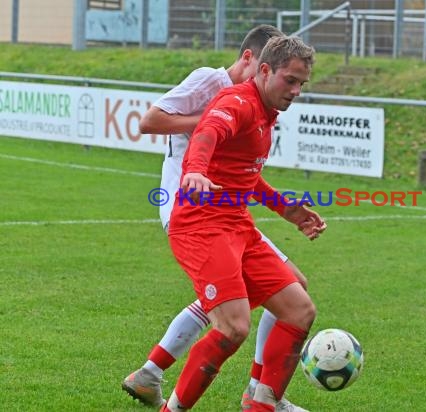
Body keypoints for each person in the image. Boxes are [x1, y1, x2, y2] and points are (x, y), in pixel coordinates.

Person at [122, 25, 318, 412]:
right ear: (262, 69)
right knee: (233, 325)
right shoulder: (236, 100)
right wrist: (195, 169)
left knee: (299, 307)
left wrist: (286, 209)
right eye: (290, 80)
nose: (296, 90)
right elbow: (207, 132)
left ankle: (261, 402)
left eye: (301, 83)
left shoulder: (266, 112)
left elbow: (246, 173)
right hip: (200, 224)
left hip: (236, 224)